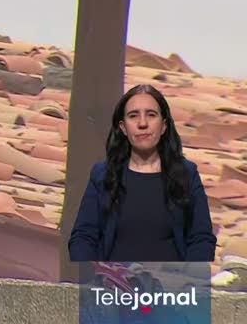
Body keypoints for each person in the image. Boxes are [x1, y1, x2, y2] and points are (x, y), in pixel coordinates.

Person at [68, 84, 217, 262]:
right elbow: (83, 237)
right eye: (133, 116)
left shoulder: (187, 174)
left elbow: (201, 239)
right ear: (123, 128)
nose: (142, 124)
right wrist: (92, 278)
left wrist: (186, 281)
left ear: (163, 126)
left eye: (151, 115)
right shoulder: (103, 174)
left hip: (172, 287)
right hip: (112, 287)